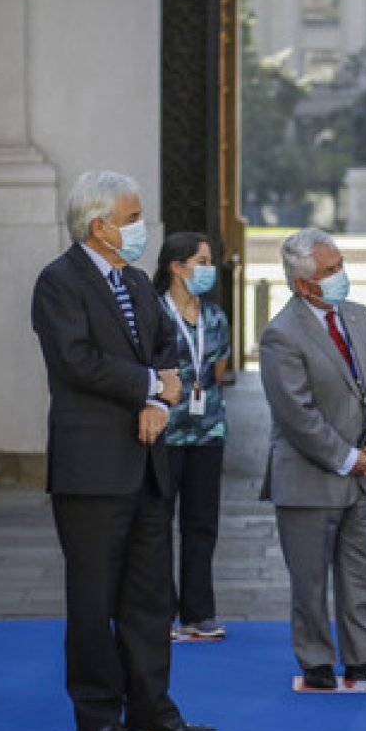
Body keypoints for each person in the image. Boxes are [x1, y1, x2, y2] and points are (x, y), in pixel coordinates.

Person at [31, 170, 219, 731]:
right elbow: (75, 360)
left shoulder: (136, 281)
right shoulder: (59, 283)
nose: (142, 228)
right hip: (91, 472)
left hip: (146, 463)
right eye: (133, 218)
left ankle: (152, 711)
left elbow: (163, 346)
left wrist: (153, 401)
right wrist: (148, 387)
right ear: (99, 225)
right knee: (92, 602)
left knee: (149, 600)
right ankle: (97, 718)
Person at [259, 228, 366, 689]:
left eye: (340, 266)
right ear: (302, 285)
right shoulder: (281, 334)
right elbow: (296, 414)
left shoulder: (360, 316)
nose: (341, 277)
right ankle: (316, 660)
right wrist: (347, 456)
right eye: (330, 271)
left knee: (361, 569)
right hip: (310, 478)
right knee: (310, 579)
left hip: (361, 474)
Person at [153, 232, 230, 640]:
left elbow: (216, 372)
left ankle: (199, 613)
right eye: (200, 261)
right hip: (164, 433)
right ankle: (161, 612)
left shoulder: (215, 316)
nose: (207, 268)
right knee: (158, 523)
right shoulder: (153, 313)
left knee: (202, 524)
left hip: (208, 432)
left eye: (208, 260)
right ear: (176, 266)